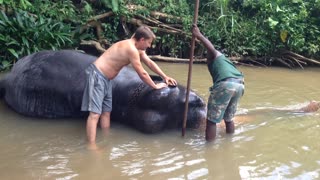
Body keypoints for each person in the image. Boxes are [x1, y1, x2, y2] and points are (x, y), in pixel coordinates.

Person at [81, 26, 177, 147]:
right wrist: (155, 86)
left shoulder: (137, 48)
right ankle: (91, 146)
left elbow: (149, 63)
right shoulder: (131, 49)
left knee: (106, 112)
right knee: (95, 114)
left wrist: (165, 76)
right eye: (148, 43)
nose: (149, 46)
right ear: (142, 39)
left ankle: (105, 139)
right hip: (97, 75)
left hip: (106, 79)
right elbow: (142, 73)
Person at [192, 24, 245, 141]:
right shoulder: (225, 61)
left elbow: (210, 48)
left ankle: (209, 149)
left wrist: (198, 35)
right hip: (239, 85)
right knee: (229, 118)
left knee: (211, 121)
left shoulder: (215, 55)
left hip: (226, 85)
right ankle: (229, 141)